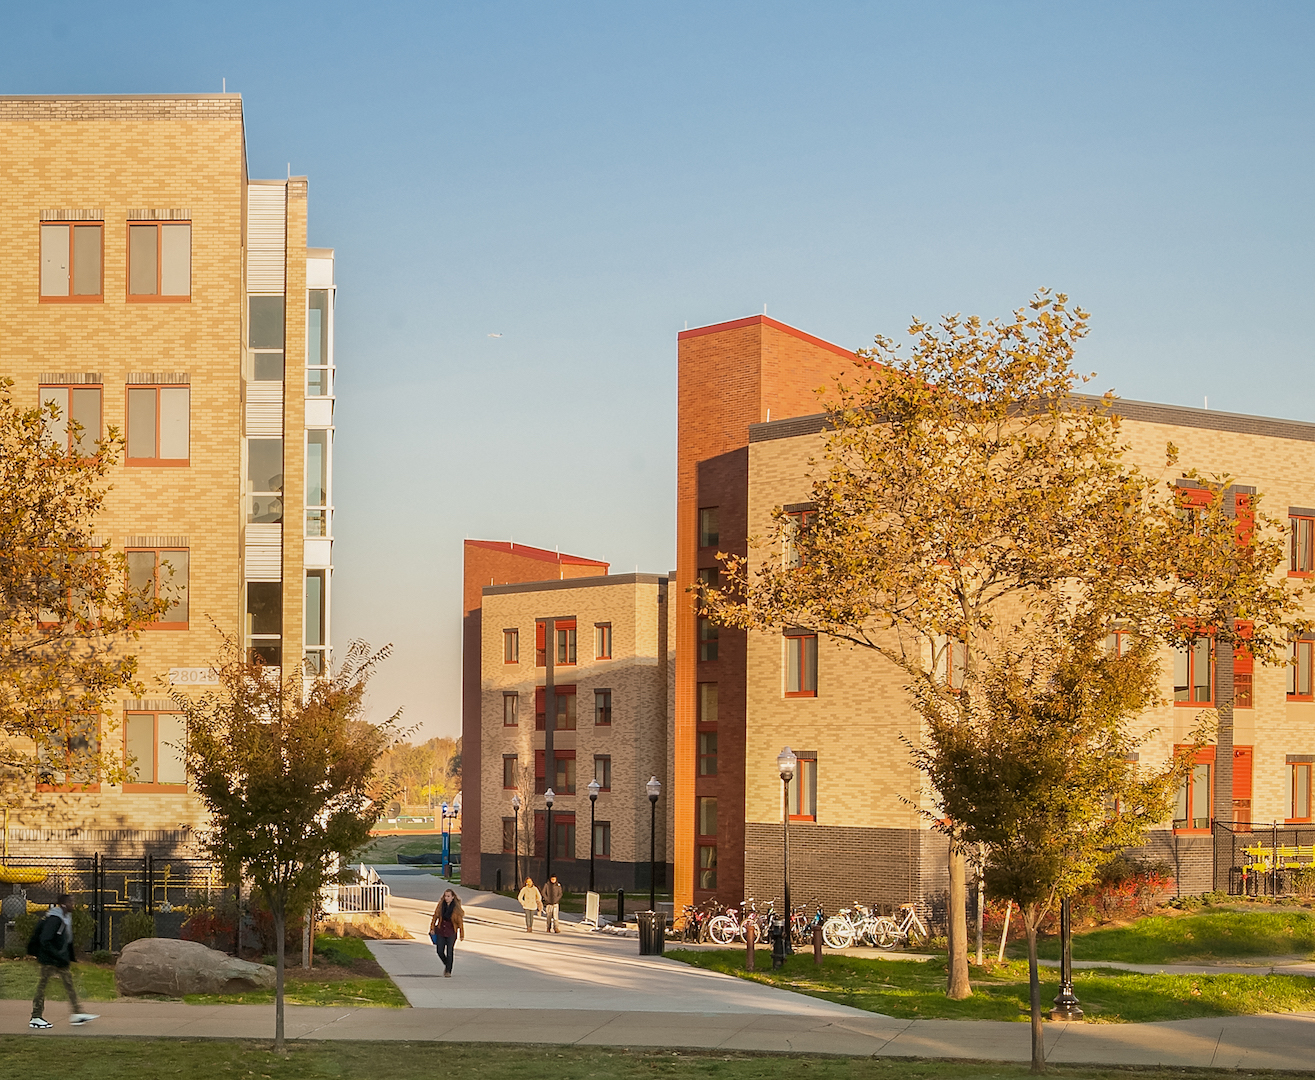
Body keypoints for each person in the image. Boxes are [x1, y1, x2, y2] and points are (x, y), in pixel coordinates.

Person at [29, 893, 97, 1029]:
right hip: (49, 959)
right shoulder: (55, 919)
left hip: (59, 959)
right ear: (64, 904)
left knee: (69, 985)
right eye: (72, 902)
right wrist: (56, 955)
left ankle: (77, 1014)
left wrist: (68, 957)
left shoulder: (66, 918)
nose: (74, 905)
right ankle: (36, 1017)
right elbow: (45, 940)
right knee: (42, 987)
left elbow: (67, 940)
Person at [428, 888, 465, 978]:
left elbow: (460, 922)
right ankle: (447, 964)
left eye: (448, 896)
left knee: (449, 951)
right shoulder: (441, 906)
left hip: (451, 932)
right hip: (441, 930)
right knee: (439, 950)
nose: (446, 898)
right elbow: (435, 916)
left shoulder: (456, 908)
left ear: (452, 897)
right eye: (445, 896)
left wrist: (461, 934)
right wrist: (432, 927)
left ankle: (448, 971)